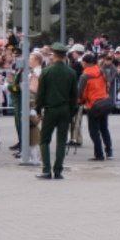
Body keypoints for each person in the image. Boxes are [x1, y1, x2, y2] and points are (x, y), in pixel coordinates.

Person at [36, 42, 79, 180]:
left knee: (44, 140)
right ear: (65, 56)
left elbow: (40, 94)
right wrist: (72, 112)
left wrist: (38, 109)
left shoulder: (46, 71)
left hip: (50, 110)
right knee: (61, 141)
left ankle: (46, 170)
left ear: (54, 55)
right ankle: (58, 171)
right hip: (65, 110)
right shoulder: (71, 72)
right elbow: (74, 96)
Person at [77, 53, 113, 161]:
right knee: (104, 128)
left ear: (86, 63)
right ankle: (109, 151)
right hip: (104, 102)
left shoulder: (85, 76)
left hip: (93, 105)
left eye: (82, 62)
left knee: (93, 131)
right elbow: (107, 84)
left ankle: (99, 154)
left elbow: (80, 92)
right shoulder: (102, 71)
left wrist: (80, 101)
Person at [66, 44, 86, 148]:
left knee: (75, 118)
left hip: (77, 95)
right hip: (78, 94)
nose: (71, 54)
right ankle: (76, 138)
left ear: (76, 52)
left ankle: (75, 139)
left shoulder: (78, 64)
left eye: (73, 52)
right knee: (76, 118)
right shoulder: (80, 63)